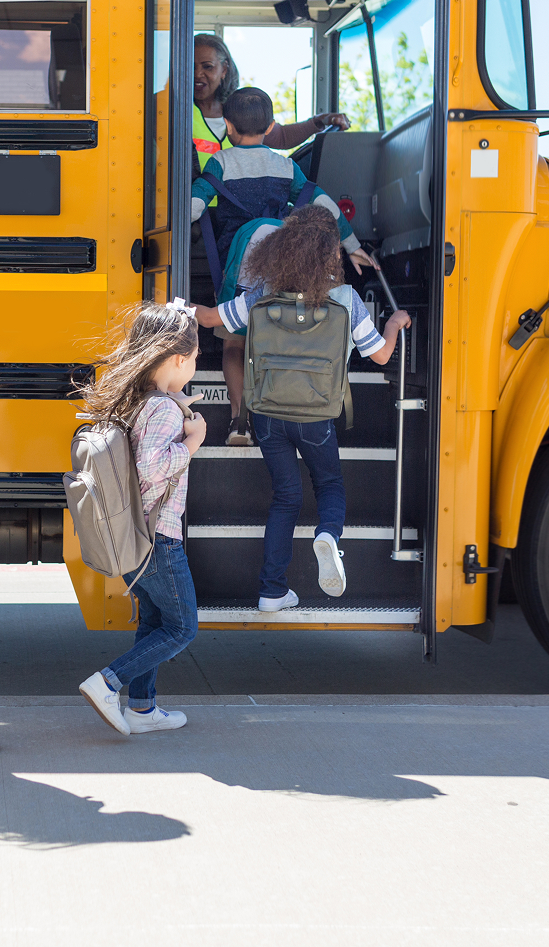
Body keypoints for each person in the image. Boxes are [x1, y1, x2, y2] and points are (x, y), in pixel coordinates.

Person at [192, 206, 411, 611]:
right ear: (332, 255)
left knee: (286, 497)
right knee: (329, 485)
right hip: (317, 417)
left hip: (267, 414)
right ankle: (328, 534)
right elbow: (380, 357)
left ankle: (271, 590)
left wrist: (183, 310)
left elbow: (211, 319)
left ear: (283, 248)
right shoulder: (346, 299)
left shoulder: (262, 292)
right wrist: (395, 323)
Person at [192, 86, 378, 445]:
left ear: (227, 126)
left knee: (233, 343)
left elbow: (196, 206)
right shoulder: (285, 165)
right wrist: (352, 246)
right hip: (279, 263)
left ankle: (237, 420)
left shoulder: (221, 162)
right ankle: (276, 415)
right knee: (272, 336)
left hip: (239, 264)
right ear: (271, 127)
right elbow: (323, 203)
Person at [77, 302, 206, 735]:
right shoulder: (164, 410)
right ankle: (109, 682)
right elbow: (152, 467)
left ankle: (143, 709)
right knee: (183, 626)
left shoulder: (143, 400)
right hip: (160, 539)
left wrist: (177, 404)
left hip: (135, 535)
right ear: (176, 359)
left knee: (154, 622)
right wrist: (193, 442)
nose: (195, 365)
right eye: (195, 358)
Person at [193, 33, 348, 178]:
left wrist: (319, 121)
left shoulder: (239, 107)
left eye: (207, 66)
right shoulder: (175, 111)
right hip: (192, 205)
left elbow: (281, 137)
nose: (198, 74)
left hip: (236, 205)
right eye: (192, 66)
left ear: (224, 70)